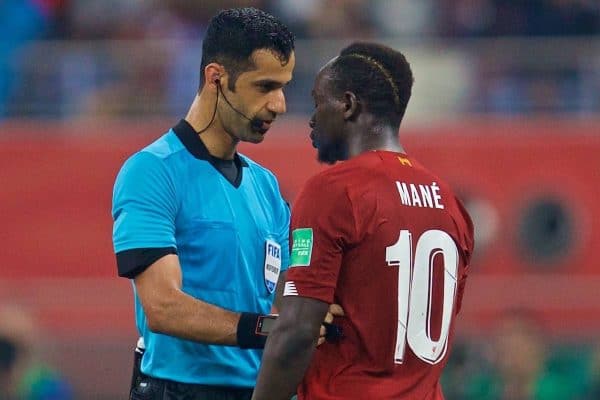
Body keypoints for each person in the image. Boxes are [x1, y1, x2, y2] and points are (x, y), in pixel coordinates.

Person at [112, 7, 340, 400]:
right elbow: (163, 307)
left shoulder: (266, 187)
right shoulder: (151, 171)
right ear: (215, 77)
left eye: (284, 87)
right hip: (180, 391)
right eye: (265, 87)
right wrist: (268, 329)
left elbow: (288, 297)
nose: (279, 105)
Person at [252, 42, 475, 400]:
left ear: (349, 105)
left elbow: (296, 333)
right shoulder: (451, 205)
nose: (311, 118)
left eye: (317, 102)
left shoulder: (333, 191)